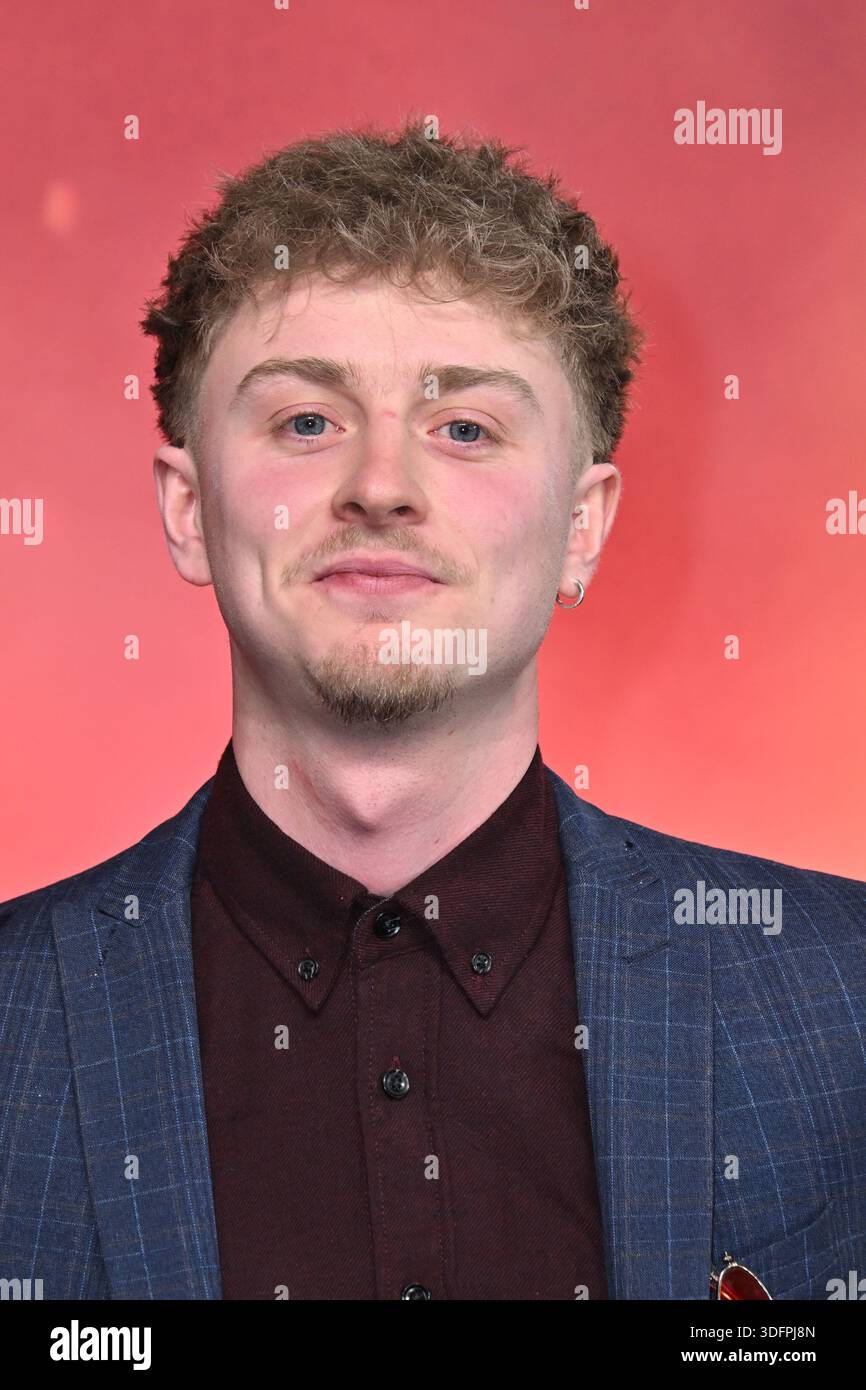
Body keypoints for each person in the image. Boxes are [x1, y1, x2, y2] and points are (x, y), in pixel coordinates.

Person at [1, 119, 863, 1302]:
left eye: (464, 428)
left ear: (582, 525)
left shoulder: (844, 1001)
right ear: (190, 510)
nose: (381, 486)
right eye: (307, 420)